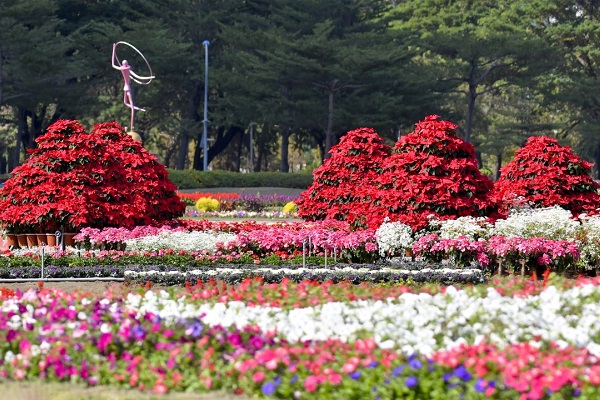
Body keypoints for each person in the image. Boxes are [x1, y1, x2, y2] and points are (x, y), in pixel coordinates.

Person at [111, 43, 154, 131]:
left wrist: (114, 49)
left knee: (126, 103)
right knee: (130, 105)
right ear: (126, 64)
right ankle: (132, 125)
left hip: (125, 87)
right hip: (128, 87)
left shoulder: (122, 69)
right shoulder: (127, 69)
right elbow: (138, 77)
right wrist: (149, 77)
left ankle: (135, 113)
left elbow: (113, 64)